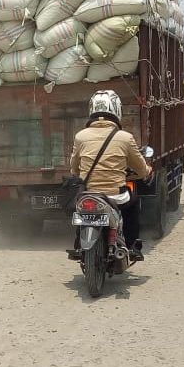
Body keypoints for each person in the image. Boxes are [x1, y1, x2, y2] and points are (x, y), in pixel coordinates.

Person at [70, 89, 153, 260]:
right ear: (116, 110)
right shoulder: (125, 137)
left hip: (89, 194)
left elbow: (74, 169)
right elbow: (141, 169)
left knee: (79, 210)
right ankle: (132, 245)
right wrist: (147, 171)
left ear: (92, 109)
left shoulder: (80, 136)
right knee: (133, 204)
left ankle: (78, 242)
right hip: (116, 196)